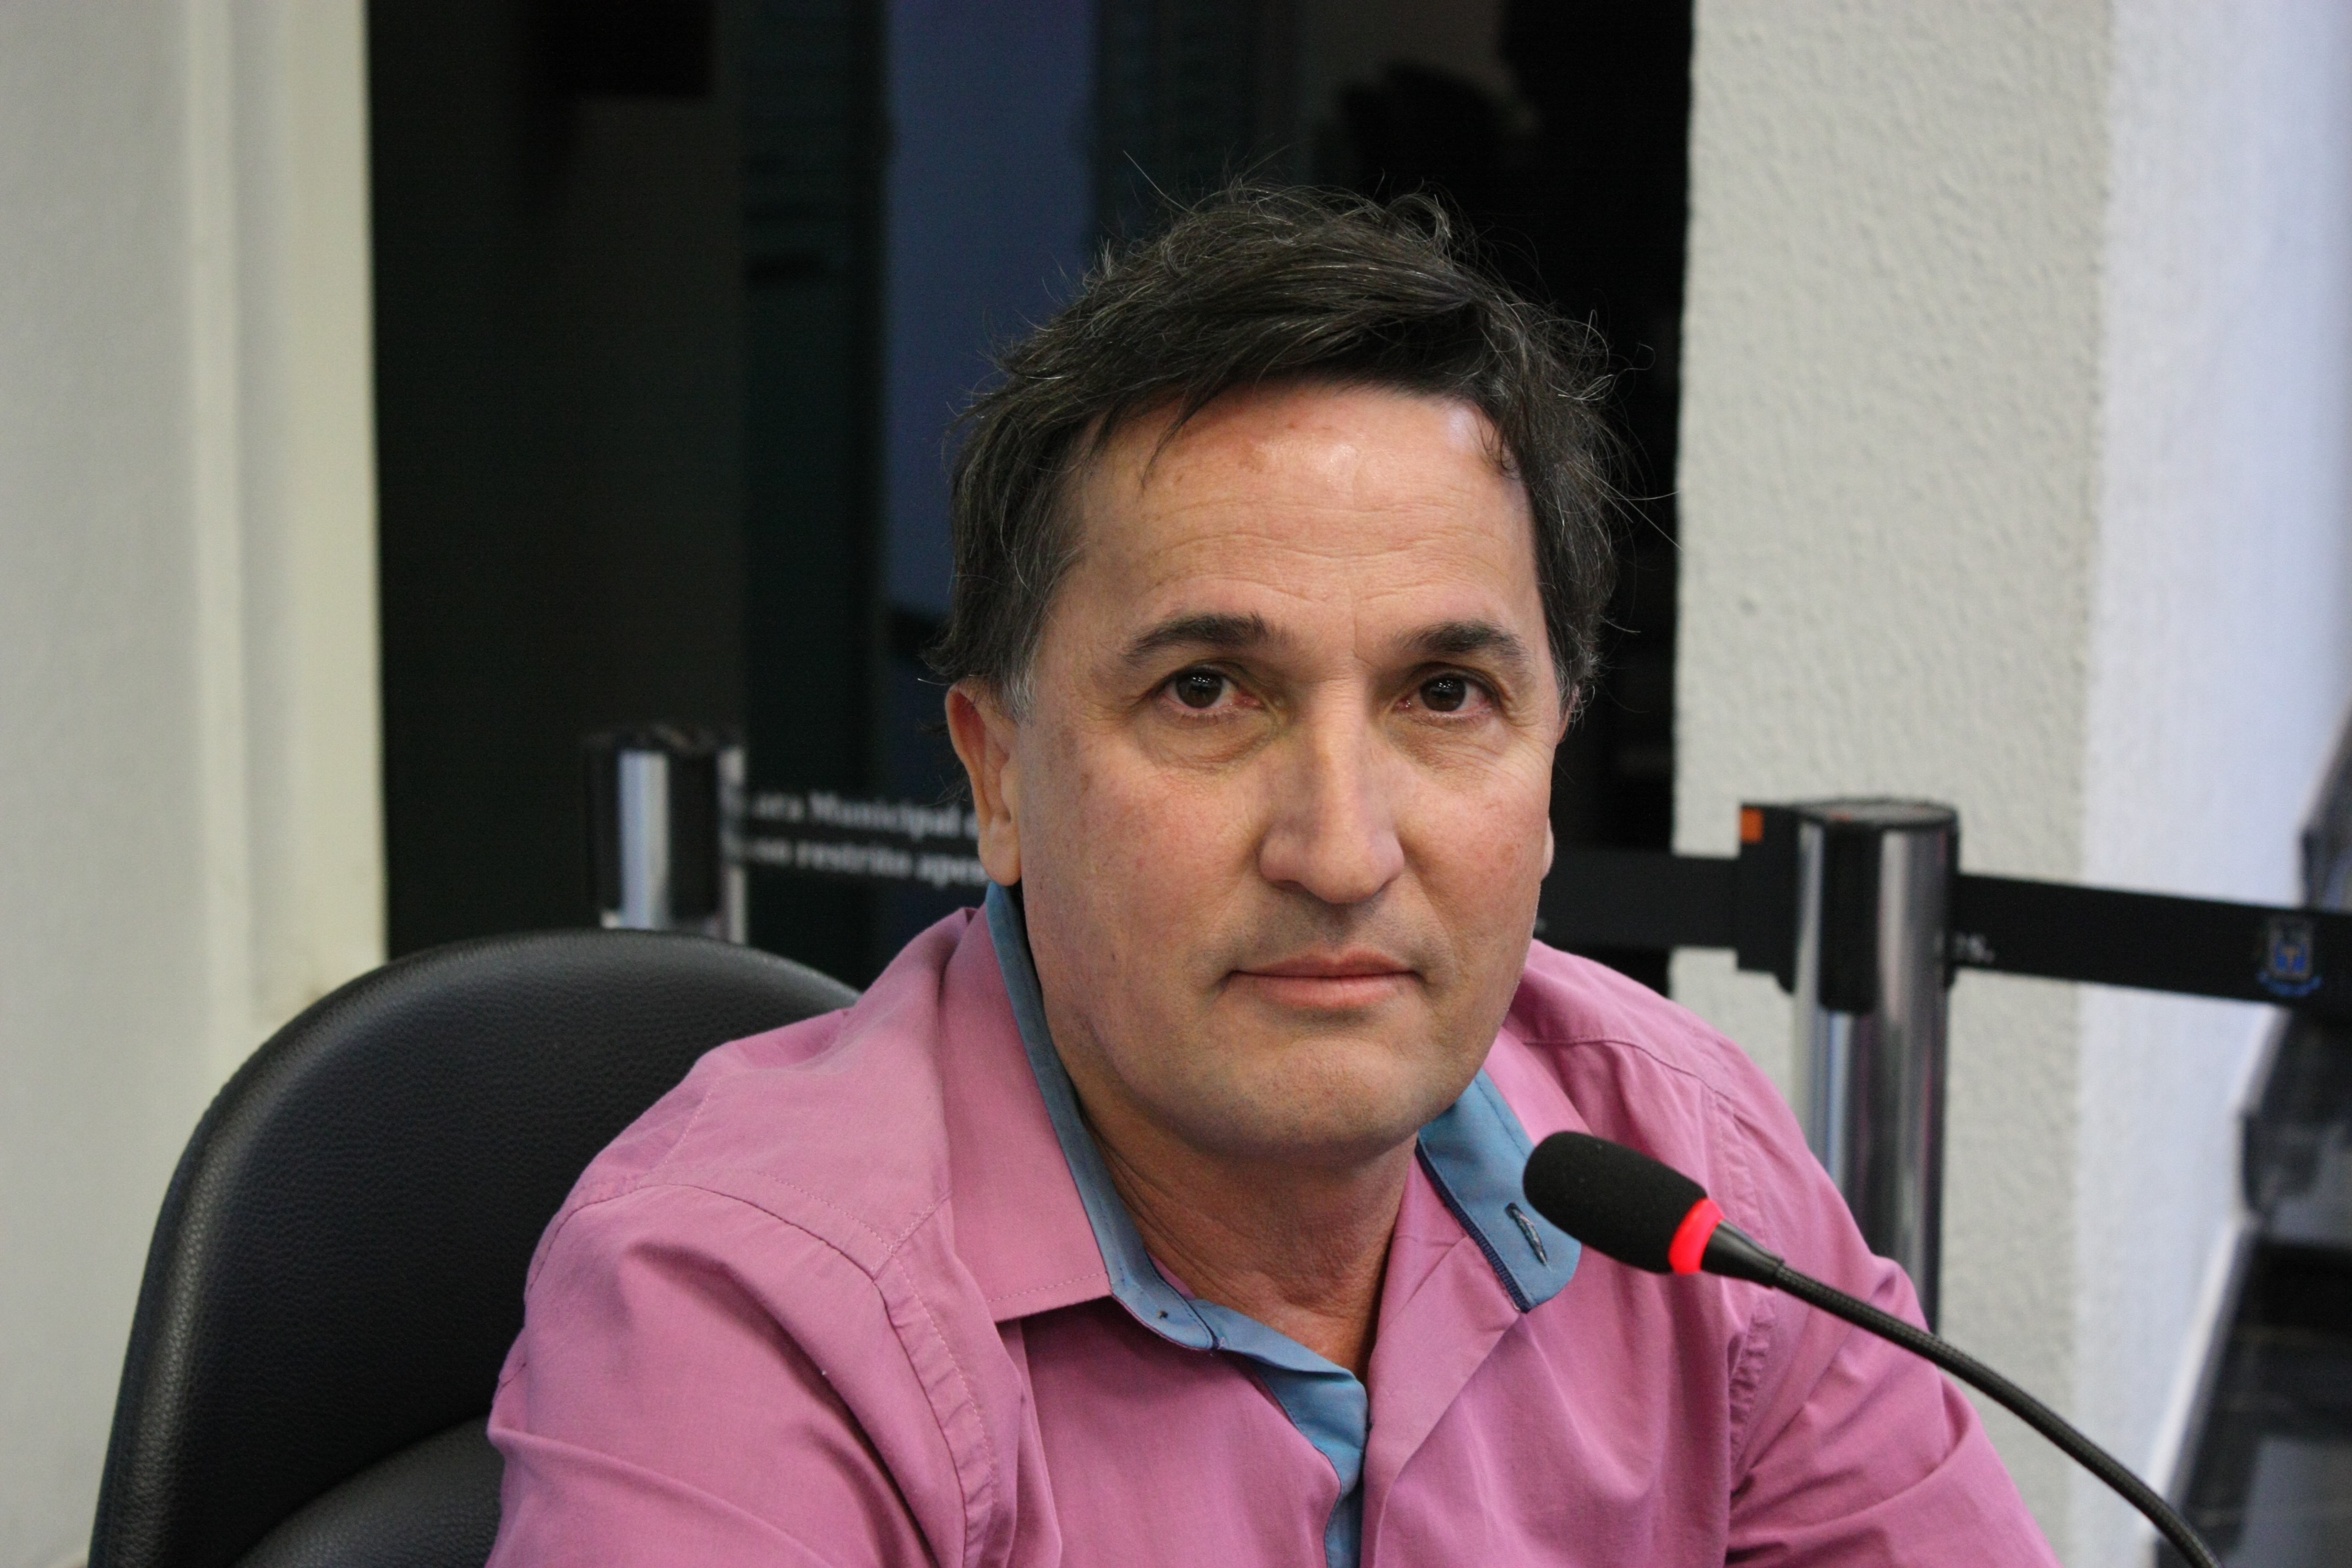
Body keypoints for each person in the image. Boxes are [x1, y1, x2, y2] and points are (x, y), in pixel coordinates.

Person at [484, 190, 2057, 1566]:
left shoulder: (1686, 1164)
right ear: (998, 776)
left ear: (1551, 762)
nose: (1343, 851)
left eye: (1446, 695)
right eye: (1207, 693)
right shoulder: (742, 1307)